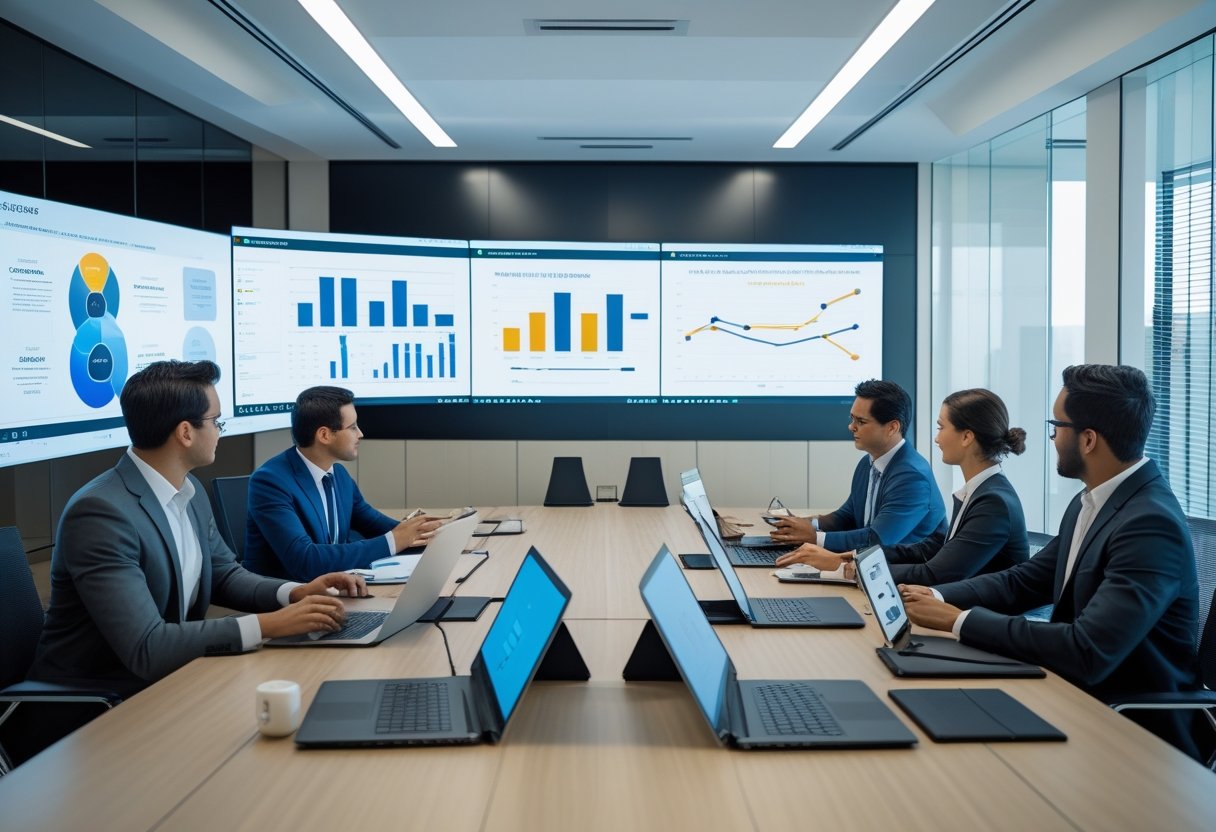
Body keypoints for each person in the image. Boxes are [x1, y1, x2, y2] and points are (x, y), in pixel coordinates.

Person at [901, 365, 1205, 759]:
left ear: (1089, 439)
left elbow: (1088, 650)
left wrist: (959, 621)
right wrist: (938, 598)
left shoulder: (1149, 523)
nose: (1052, 437)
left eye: (1056, 426)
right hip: (1072, 695)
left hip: (1128, 728)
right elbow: (1024, 582)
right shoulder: (1093, 502)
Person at [29, 360, 364, 698]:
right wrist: (270, 624)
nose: (220, 430)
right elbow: (148, 647)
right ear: (186, 432)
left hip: (174, 680)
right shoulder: (100, 513)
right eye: (216, 421)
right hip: (97, 702)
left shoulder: (189, 492)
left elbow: (224, 575)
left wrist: (294, 593)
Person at [776, 388, 1029, 584]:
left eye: (941, 427)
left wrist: (842, 567)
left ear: (966, 437)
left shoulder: (993, 501)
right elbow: (928, 549)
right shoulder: (979, 490)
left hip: (975, 619)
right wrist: (848, 558)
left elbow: (935, 574)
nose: (936, 438)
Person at [243, 386, 441, 581]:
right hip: (287, 603)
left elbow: (379, 526)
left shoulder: (338, 475)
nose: (360, 433)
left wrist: (432, 535)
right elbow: (305, 561)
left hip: (335, 588)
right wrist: (394, 540)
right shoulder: (270, 482)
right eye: (353, 427)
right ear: (324, 435)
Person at [770, 379, 946, 552]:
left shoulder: (912, 477)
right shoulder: (868, 462)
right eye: (852, 419)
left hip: (906, 574)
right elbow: (847, 516)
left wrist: (815, 537)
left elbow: (876, 539)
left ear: (892, 427)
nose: (851, 427)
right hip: (872, 566)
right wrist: (804, 524)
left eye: (861, 422)